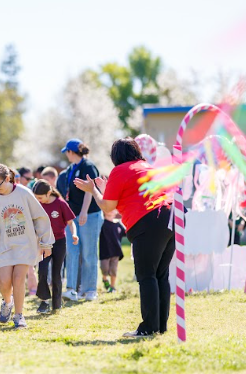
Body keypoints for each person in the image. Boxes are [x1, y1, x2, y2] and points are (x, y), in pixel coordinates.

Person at [74, 137, 175, 337]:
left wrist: (93, 189)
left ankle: (148, 328)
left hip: (149, 222)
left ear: (115, 157)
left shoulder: (120, 171)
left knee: (147, 276)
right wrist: (106, 189)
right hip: (172, 218)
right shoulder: (147, 166)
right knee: (161, 275)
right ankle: (160, 327)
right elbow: (124, 203)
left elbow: (106, 208)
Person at [0, 165, 54, 329]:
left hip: (25, 245)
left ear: (8, 179)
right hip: (5, 246)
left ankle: (19, 316)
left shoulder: (24, 193)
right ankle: (7, 302)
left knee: (19, 278)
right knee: (4, 281)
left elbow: (40, 217)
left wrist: (46, 242)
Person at [57, 138, 103, 302]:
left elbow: (89, 190)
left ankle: (90, 290)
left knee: (89, 252)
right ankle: (72, 289)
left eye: (67, 152)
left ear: (71, 151)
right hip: (72, 217)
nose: (66, 156)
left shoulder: (88, 166)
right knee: (72, 251)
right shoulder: (70, 169)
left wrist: (84, 211)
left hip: (89, 214)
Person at [32, 180, 78, 314]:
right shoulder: (37, 205)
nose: (38, 200)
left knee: (56, 273)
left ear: (48, 193)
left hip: (59, 242)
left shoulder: (60, 203)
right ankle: (44, 301)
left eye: (40, 197)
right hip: (43, 242)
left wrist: (74, 234)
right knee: (43, 271)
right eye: (36, 198)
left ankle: (56, 304)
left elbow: (71, 223)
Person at [100, 210, 125, 293]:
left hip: (116, 251)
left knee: (113, 270)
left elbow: (126, 232)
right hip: (105, 251)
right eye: (108, 209)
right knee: (104, 268)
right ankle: (104, 279)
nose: (110, 211)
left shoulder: (118, 224)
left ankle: (112, 286)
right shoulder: (102, 223)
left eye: (112, 209)